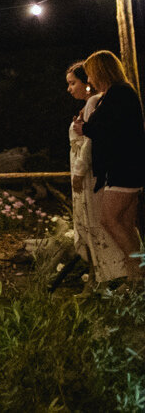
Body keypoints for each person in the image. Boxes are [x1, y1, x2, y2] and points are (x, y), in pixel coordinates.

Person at [76, 49, 144, 283]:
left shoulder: (119, 94)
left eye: (90, 74)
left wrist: (83, 129)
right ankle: (136, 277)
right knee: (126, 223)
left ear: (101, 71)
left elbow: (109, 129)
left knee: (109, 220)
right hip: (128, 166)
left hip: (123, 167)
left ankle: (140, 271)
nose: (89, 80)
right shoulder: (119, 93)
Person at [66, 60, 129, 284]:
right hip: (87, 170)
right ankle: (101, 274)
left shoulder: (95, 102)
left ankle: (112, 275)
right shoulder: (90, 104)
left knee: (99, 222)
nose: (69, 89)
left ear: (87, 82)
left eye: (73, 83)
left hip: (90, 172)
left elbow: (90, 142)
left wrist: (79, 172)